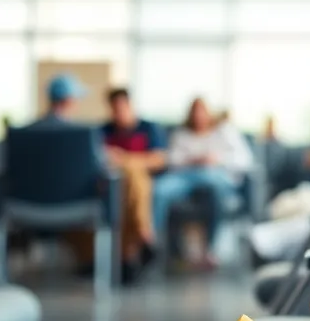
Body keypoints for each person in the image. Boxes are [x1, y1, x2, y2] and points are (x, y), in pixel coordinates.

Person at [26, 75, 143, 283]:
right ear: (69, 101)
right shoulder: (82, 136)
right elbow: (100, 168)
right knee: (113, 190)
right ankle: (119, 259)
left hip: (23, 208)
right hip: (75, 207)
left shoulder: (24, 134)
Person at [155, 97, 254, 269]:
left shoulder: (224, 131)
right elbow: (170, 160)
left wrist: (217, 159)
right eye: (194, 112)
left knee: (213, 184)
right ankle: (154, 242)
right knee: (161, 189)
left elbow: (245, 160)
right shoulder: (181, 134)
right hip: (186, 176)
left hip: (217, 175)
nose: (198, 116)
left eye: (202, 111)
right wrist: (192, 160)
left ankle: (211, 249)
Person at [87, 87, 167, 267]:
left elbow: (159, 160)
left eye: (122, 107)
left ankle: (135, 243)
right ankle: (140, 240)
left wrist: (125, 159)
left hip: (140, 183)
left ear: (130, 106)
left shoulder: (149, 128)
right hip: (110, 184)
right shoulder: (102, 131)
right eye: (115, 109)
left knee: (135, 175)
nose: (119, 113)